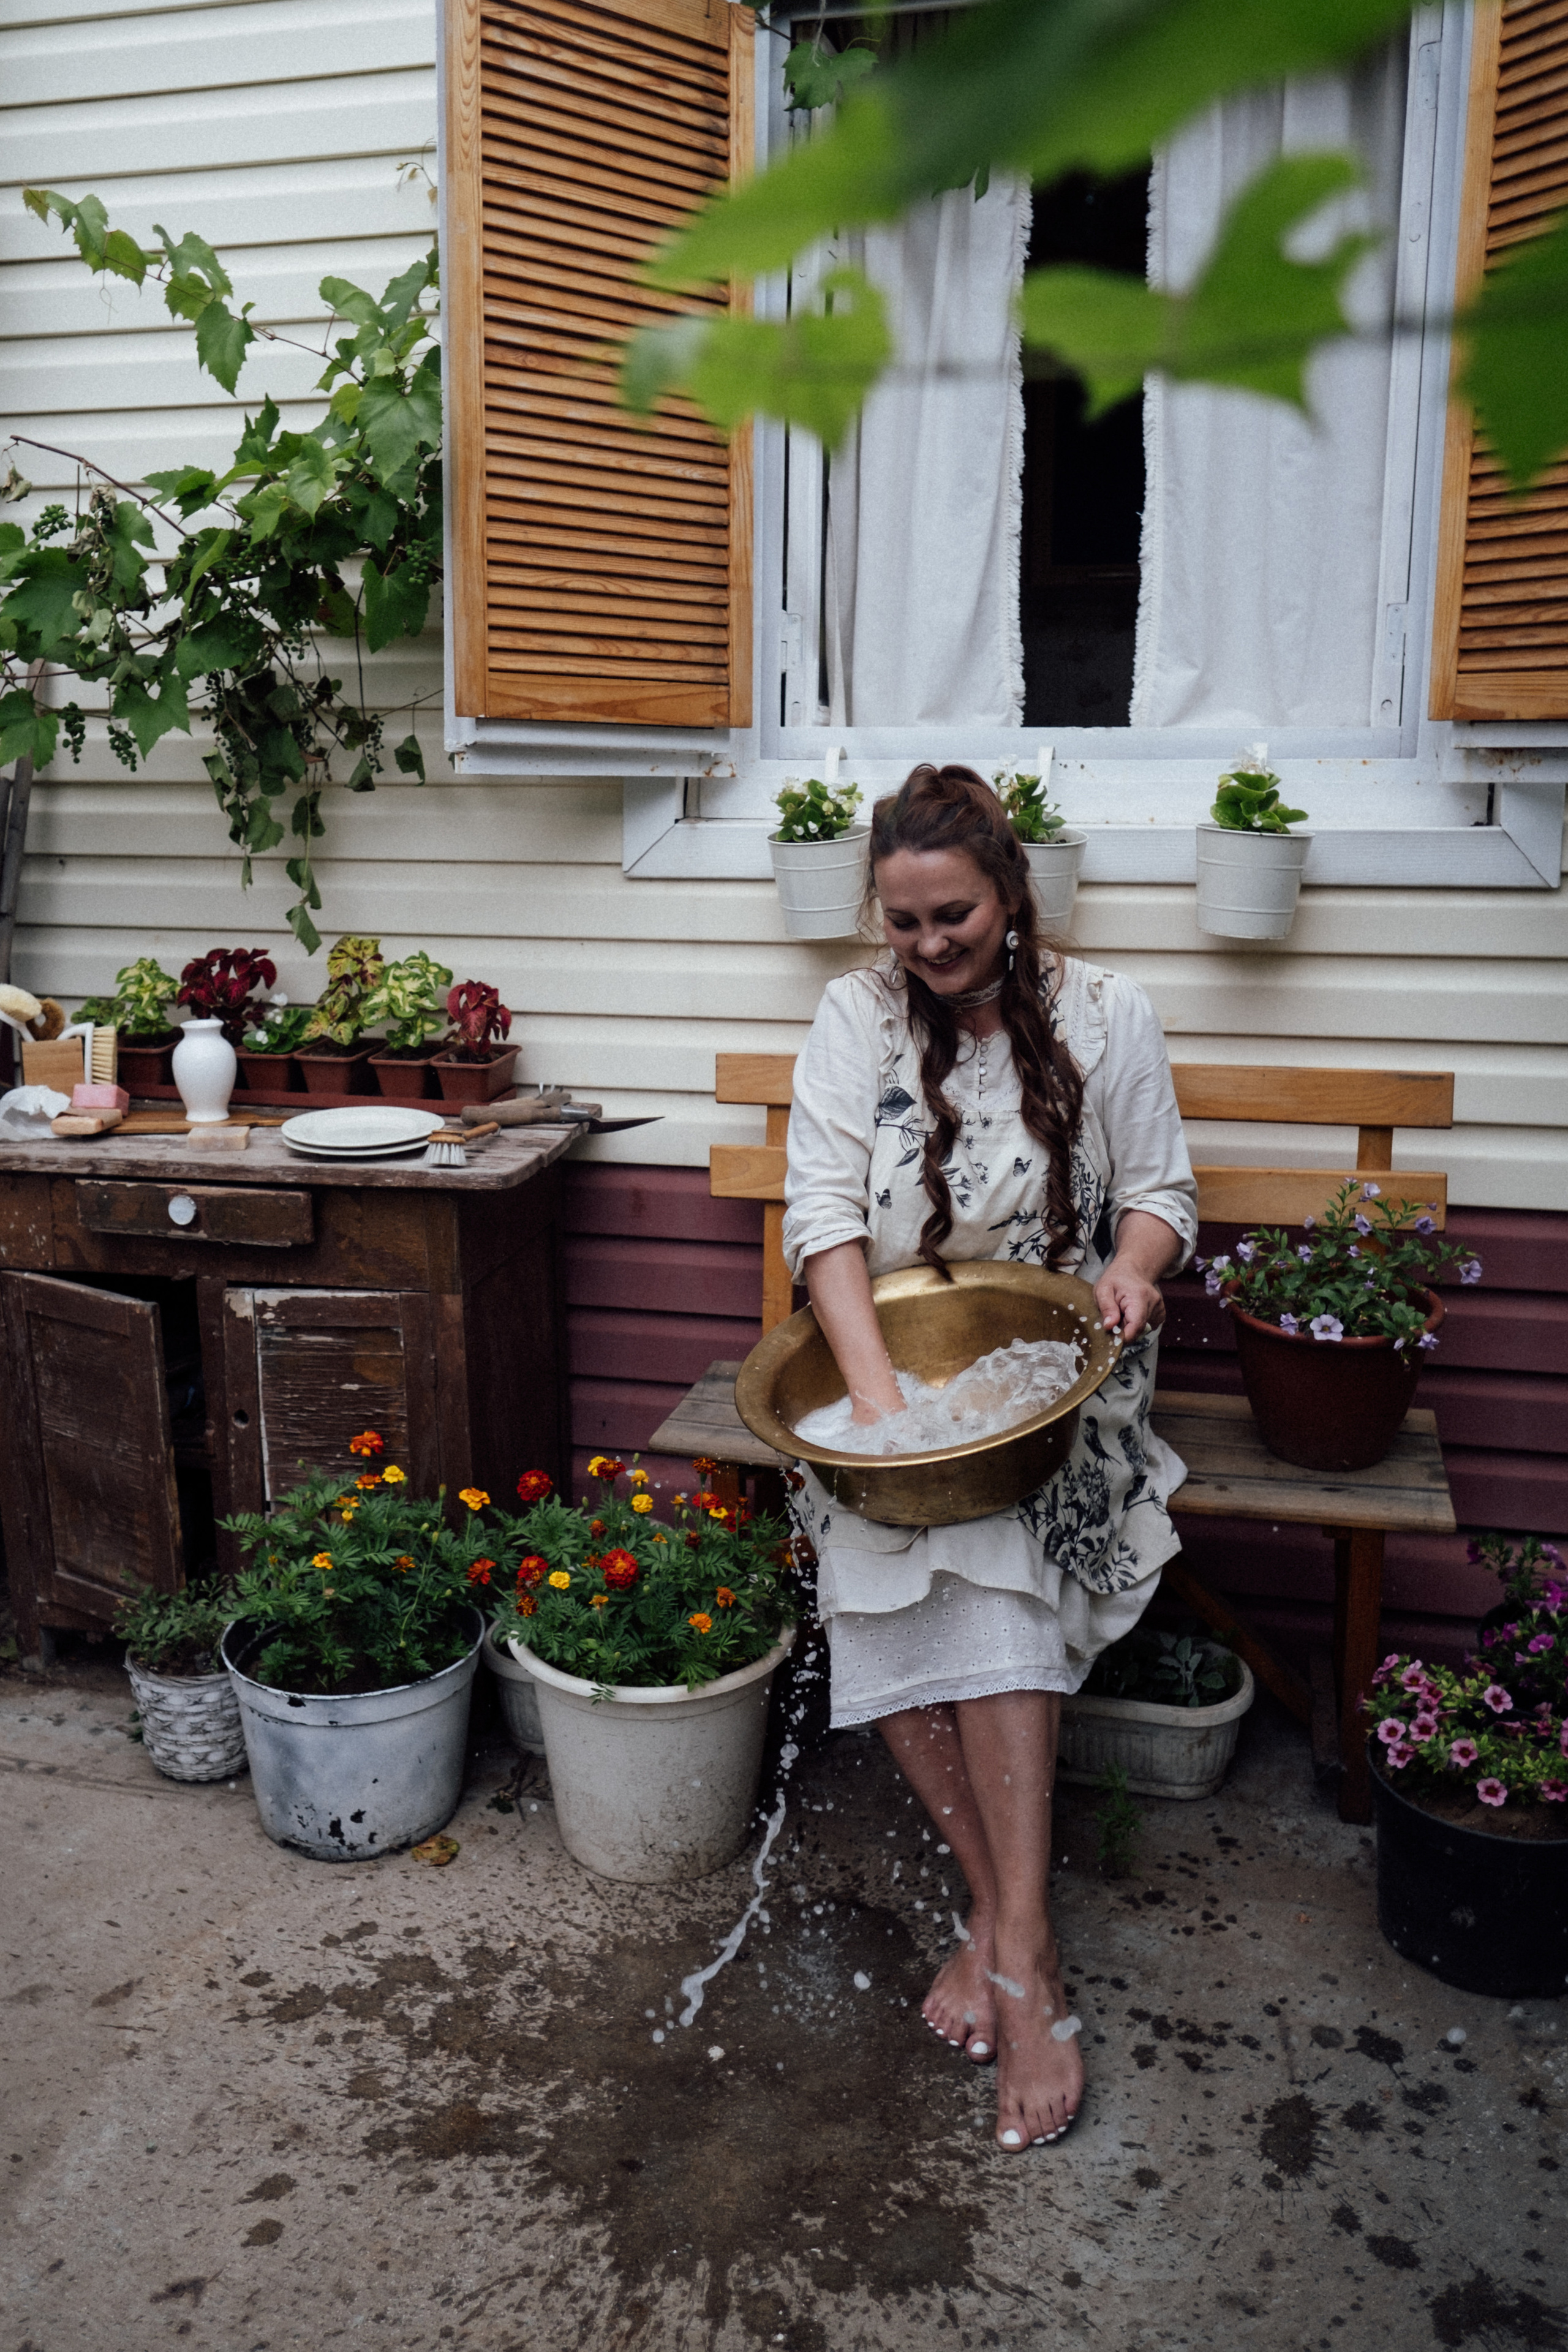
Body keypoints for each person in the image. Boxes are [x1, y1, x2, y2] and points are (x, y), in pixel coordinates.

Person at [781, 764, 1197, 2152]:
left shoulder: (1105, 1013)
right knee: (871, 1537)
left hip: (1060, 1373)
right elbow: (825, 1225)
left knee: (989, 1539)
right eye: (900, 924)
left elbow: (1156, 1196)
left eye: (950, 914)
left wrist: (1132, 1277)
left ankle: (1012, 1952)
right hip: (893, 1368)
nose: (926, 946)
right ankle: (1018, 1933)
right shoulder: (852, 1016)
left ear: (1009, 893)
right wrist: (886, 1420)